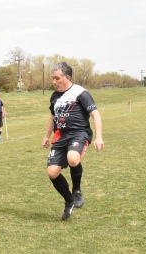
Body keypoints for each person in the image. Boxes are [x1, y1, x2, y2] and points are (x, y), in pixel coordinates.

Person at [41, 62, 104, 221]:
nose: (54, 81)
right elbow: (52, 117)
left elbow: (95, 115)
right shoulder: (55, 96)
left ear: (67, 77)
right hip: (61, 136)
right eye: (53, 78)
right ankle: (69, 200)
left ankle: (76, 190)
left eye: (57, 78)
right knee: (52, 172)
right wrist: (46, 136)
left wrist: (99, 137)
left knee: (73, 158)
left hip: (79, 133)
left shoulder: (80, 93)